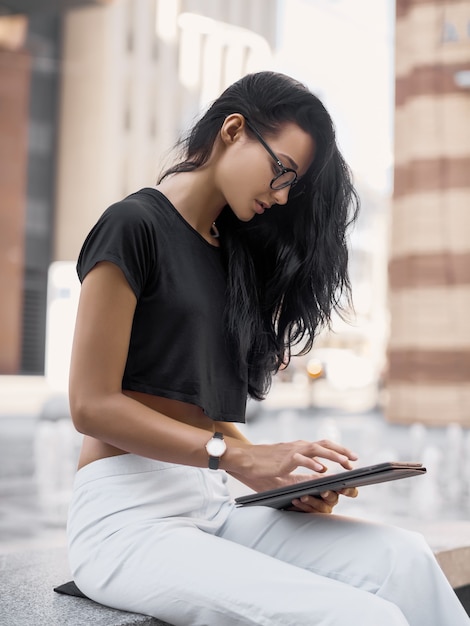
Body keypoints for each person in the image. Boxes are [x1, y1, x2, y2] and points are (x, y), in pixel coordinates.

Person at [66, 71, 469, 626]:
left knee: (406, 560)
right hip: (124, 519)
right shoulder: (132, 226)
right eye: (282, 172)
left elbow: (201, 413)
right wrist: (239, 458)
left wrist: (274, 475)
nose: (280, 196)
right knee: (358, 616)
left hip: (208, 502)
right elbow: (90, 405)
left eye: (291, 186)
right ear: (234, 130)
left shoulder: (229, 256)